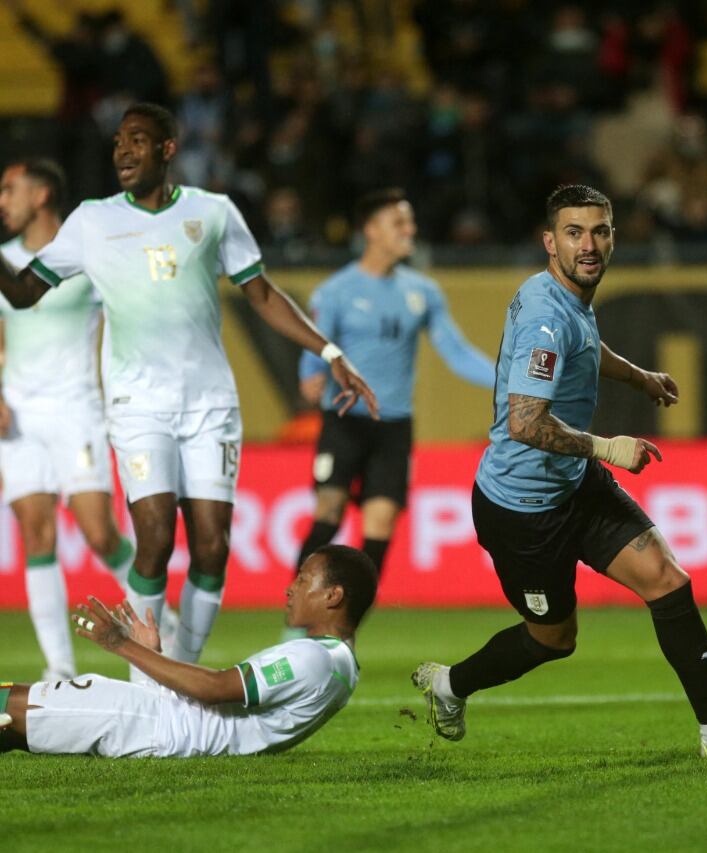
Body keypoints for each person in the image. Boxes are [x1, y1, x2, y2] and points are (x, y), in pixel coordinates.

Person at [0, 103, 378, 671]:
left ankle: (185, 670)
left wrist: (328, 351)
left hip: (210, 406)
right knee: (152, 537)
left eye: (137, 140)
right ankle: (143, 672)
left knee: (212, 547)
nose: (123, 151)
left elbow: (263, 294)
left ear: (168, 149)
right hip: (137, 406)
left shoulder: (215, 212)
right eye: (118, 143)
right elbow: (24, 292)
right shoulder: (92, 221)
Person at [411, 184, 707, 762]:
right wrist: (609, 448)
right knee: (554, 640)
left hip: (574, 486)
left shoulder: (563, 300)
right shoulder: (544, 318)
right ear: (549, 242)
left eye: (600, 231)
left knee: (667, 579)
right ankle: (450, 685)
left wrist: (639, 378)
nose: (589, 245)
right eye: (574, 233)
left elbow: (586, 346)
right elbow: (526, 423)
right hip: (522, 511)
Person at [292, 188, 493, 587]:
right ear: (371, 230)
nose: (410, 229)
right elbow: (316, 342)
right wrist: (309, 372)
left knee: (380, 525)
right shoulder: (336, 291)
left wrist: (508, 381)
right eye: (399, 222)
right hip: (345, 419)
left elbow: (456, 352)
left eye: (410, 221)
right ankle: (297, 614)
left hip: (394, 425)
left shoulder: (423, 292)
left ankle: (346, 627)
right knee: (327, 514)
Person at [0, 544, 374, 757]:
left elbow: (215, 688)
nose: (290, 588)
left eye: (303, 579)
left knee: (8, 705)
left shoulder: (314, 658)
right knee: (13, 728)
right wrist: (156, 657)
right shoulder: (341, 664)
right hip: (166, 724)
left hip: (149, 722)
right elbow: (230, 712)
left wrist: (122, 644)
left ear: (333, 595)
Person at [0, 157, 148, 681]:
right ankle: (59, 667)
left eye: (9, 190)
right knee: (35, 536)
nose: (2, 202)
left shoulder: (85, 259)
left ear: (41, 196)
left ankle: (155, 614)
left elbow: (128, 322)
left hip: (77, 408)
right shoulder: (3, 259)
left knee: (98, 534)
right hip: (18, 414)